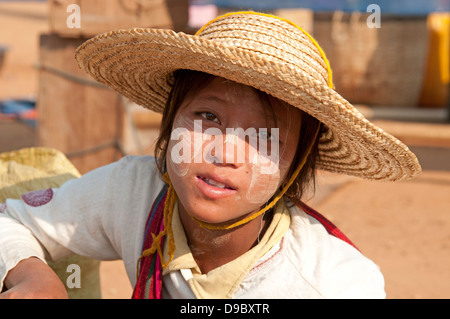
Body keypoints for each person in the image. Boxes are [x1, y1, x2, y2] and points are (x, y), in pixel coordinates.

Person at [0, 11, 421, 299]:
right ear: (169, 123)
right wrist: (31, 272)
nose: (224, 152)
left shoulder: (335, 284)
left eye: (264, 136)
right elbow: (11, 220)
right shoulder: (131, 192)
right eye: (207, 116)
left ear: (295, 167)